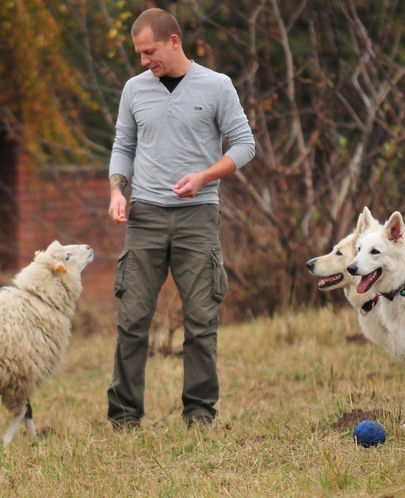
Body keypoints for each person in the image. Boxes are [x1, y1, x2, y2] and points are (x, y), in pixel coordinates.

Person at [106, 7, 255, 429]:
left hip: (198, 217)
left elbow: (245, 145)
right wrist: (118, 190)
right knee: (132, 320)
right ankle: (124, 416)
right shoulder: (134, 90)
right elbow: (123, 146)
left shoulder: (217, 86)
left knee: (202, 320)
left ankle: (199, 413)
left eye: (148, 51)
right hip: (146, 217)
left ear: (174, 41)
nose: (143, 61)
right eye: (138, 53)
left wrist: (205, 175)